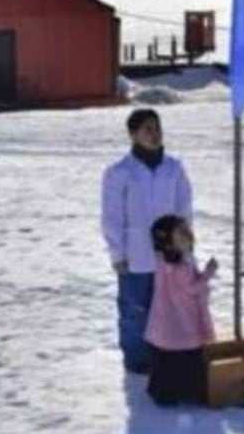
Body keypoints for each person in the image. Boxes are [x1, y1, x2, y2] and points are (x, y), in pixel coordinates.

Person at [101, 108, 194, 374]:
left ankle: (164, 354)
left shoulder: (173, 168)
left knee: (168, 307)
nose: (154, 135)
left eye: (157, 128)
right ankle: (137, 360)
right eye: (147, 130)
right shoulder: (120, 173)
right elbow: (112, 216)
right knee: (135, 309)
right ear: (133, 135)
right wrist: (117, 254)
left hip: (169, 254)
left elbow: (184, 208)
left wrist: (185, 245)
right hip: (135, 254)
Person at [145, 215, 217, 405]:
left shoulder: (161, 261)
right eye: (181, 234)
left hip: (165, 324)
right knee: (188, 359)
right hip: (184, 322)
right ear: (168, 243)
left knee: (166, 360)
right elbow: (193, 288)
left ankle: (164, 392)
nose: (187, 236)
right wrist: (208, 273)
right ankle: (190, 391)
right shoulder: (181, 267)